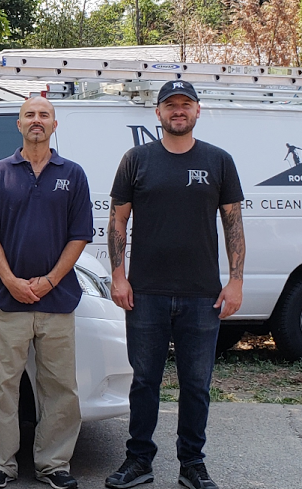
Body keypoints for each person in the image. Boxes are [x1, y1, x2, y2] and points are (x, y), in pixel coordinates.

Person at [105, 80, 245, 489]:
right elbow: (117, 220)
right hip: (145, 292)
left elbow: (233, 222)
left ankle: (192, 465)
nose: (178, 111)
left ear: (198, 111)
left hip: (202, 294)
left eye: (186, 105)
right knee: (144, 380)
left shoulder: (219, 161)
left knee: (196, 384)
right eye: (171, 105)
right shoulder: (137, 159)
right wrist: (118, 275)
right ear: (159, 113)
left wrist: (235, 281)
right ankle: (138, 461)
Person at [0, 96, 93, 489]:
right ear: (19, 124)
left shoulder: (73, 174)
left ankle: (54, 465)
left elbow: (79, 236)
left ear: (55, 125)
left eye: (44, 115)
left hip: (57, 301)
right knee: (0, 385)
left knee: (59, 388)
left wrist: (50, 280)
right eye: (30, 115)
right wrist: (10, 280)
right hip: (9, 301)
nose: (37, 121)